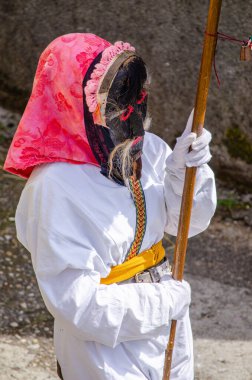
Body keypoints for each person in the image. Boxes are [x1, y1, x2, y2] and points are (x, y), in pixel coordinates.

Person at [4, 33, 216, 380]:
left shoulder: (146, 150)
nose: (132, 113)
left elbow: (186, 224)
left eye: (136, 98)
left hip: (166, 327)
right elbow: (79, 305)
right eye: (119, 103)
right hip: (102, 350)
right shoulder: (54, 188)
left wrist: (186, 171)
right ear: (73, 102)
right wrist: (163, 302)